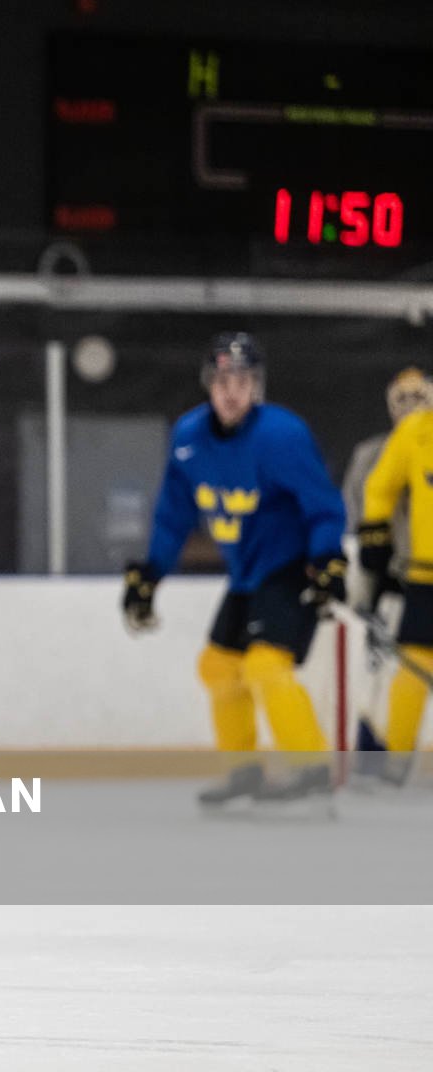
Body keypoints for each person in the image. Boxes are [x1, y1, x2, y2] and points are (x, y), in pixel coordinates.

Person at [122, 333, 346, 807]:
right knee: (219, 667)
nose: (231, 391)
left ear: (256, 387)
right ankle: (245, 772)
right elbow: (173, 513)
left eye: (243, 381)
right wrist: (151, 574)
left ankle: (312, 771)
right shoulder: (189, 438)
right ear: (209, 384)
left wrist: (327, 559)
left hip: (290, 567)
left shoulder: (281, 436)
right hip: (246, 574)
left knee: (266, 665)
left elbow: (323, 504)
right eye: (223, 380)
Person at [342, 366, 431, 778]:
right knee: (379, 668)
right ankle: (374, 753)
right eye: (402, 399)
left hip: (414, 574)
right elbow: (359, 512)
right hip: (390, 575)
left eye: (419, 398)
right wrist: (366, 572)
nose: (410, 407)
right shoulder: (371, 453)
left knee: (407, 667)